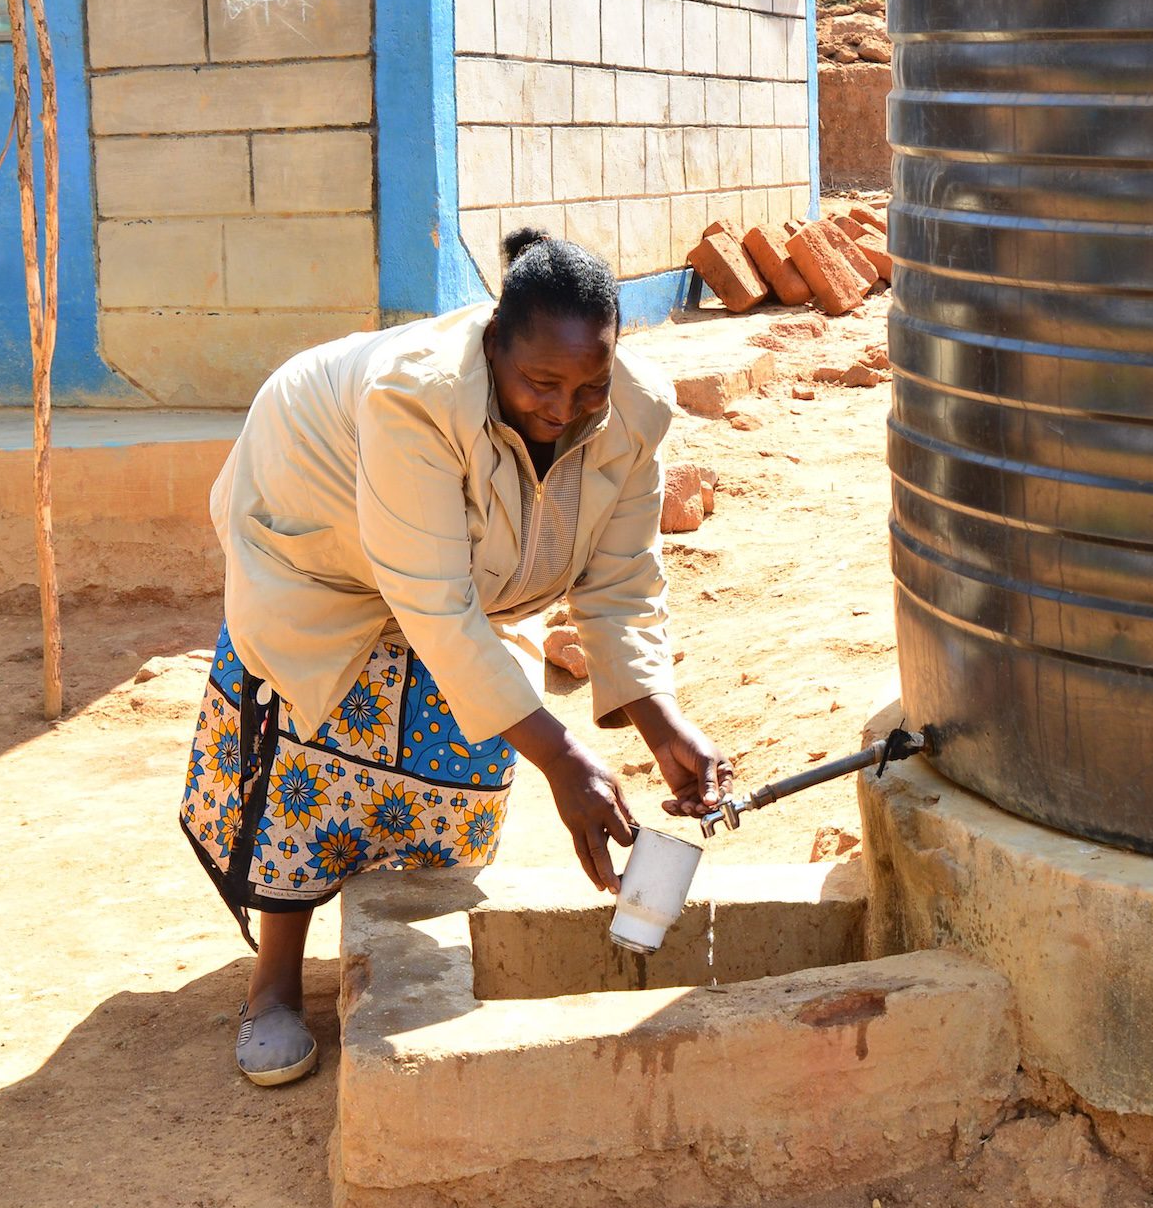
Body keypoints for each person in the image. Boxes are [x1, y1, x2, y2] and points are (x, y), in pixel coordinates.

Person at [176, 228, 734, 1085]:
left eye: (589, 385)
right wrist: (563, 755)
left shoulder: (635, 413)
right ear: (493, 344)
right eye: (540, 382)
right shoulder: (416, 399)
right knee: (310, 751)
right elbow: (434, 607)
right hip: (317, 550)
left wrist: (662, 719)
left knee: (462, 764)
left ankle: (400, 961)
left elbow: (622, 579)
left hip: (461, 580)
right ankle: (276, 984)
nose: (563, 405)